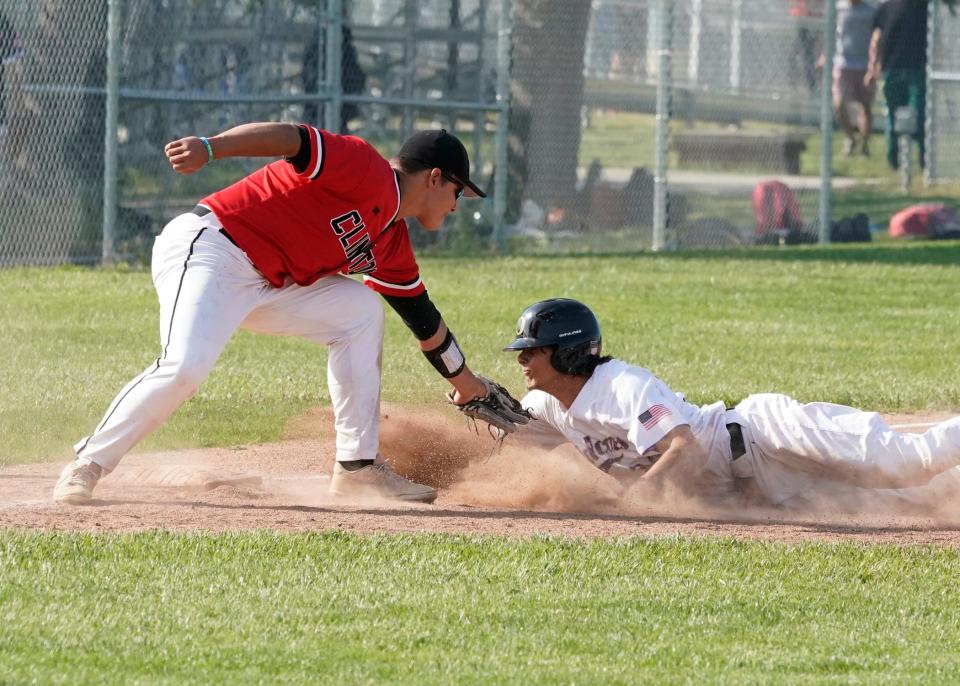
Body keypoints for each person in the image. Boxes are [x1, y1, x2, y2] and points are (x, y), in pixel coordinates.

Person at [53, 123, 492, 505]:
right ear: (435, 178)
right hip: (213, 250)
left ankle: (357, 468)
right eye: (458, 191)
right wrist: (212, 147)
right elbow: (291, 139)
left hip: (271, 285)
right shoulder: (366, 167)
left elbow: (424, 321)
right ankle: (88, 463)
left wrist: (469, 385)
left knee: (360, 310)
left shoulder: (391, 242)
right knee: (185, 368)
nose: (456, 206)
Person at [499, 298, 960, 510]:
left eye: (532, 349)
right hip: (758, 489)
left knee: (911, 462)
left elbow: (685, 449)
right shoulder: (548, 404)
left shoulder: (621, 385)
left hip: (765, 439)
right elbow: (508, 429)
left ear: (567, 352)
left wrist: (636, 497)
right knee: (918, 500)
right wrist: (469, 391)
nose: (522, 359)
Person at [867, 0, 927, 170]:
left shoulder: (921, 5)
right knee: (893, 116)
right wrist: (872, 67)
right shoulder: (886, 8)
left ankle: (924, 158)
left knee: (920, 115)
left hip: (917, 69)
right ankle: (895, 160)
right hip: (891, 69)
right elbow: (876, 38)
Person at [819, 0, 877, 157]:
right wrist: (825, 55)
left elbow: (877, 36)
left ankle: (864, 144)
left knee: (865, 106)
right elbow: (832, 33)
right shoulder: (839, 8)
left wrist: (874, 64)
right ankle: (850, 137)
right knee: (838, 103)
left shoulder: (871, 10)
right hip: (842, 63)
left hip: (864, 64)